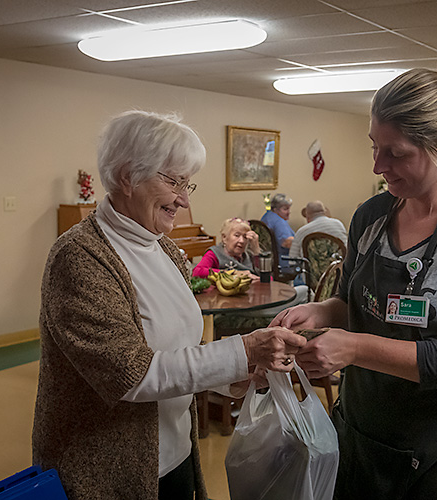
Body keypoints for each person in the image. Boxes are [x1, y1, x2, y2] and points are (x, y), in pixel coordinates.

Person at [271, 68, 437, 500]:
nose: (377, 166)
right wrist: (321, 312)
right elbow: (355, 301)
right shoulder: (372, 215)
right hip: (363, 435)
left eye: (396, 153)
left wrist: (352, 348)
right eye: (374, 147)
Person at [32, 110, 306, 500]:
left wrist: (238, 376)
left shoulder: (162, 246)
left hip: (174, 456)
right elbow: (129, 374)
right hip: (107, 473)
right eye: (173, 181)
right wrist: (243, 350)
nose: (182, 198)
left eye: (187, 184)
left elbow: (179, 352)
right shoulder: (80, 257)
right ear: (127, 177)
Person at [192, 217, 260, 279]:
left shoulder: (247, 255)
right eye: (237, 235)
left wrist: (256, 250)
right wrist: (233, 273)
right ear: (224, 237)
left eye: (245, 237)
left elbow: (268, 277)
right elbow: (197, 272)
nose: (242, 241)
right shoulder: (215, 253)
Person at [261, 193, 295, 260]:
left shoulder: (267, 216)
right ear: (275, 209)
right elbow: (287, 243)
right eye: (285, 209)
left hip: (268, 260)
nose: (289, 212)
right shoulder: (279, 221)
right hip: (284, 260)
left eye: (289, 209)